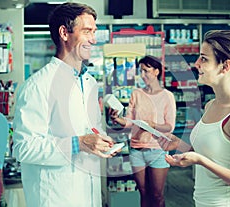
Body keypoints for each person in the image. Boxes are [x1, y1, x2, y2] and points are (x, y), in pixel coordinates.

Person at [12, 3, 117, 207]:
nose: (93, 40)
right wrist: (79, 144)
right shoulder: (38, 86)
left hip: (89, 194)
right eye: (87, 31)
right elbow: (23, 148)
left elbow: (90, 130)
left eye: (94, 32)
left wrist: (101, 140)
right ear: (64, 33)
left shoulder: (89, 83)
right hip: (56, 197)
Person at [159, 30, 230, 207]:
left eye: (204, 58)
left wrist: (200, 161)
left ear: (225, 66)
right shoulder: (211, 105)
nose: (196, 64)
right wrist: (178, 144)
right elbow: (216, 152)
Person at [109, 55, 177, 207]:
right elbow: (129, 120)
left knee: (157, 195)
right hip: (136, 150)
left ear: (157, 72)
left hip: (158, 150)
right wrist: (118, 120)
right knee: (143, 192)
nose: (143, 75)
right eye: (141, 71)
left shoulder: (167, 96)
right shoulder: (136, 94)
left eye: (146, 71)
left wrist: (153, 125)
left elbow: (169, 126)